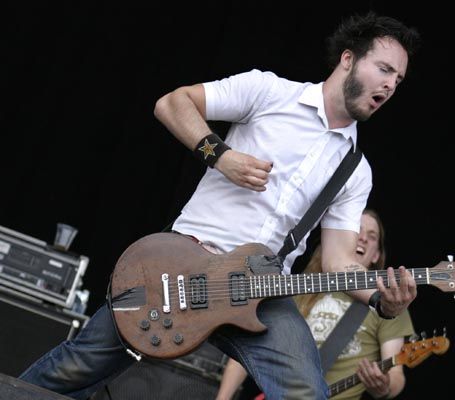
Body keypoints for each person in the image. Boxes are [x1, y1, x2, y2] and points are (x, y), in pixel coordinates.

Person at [19, 11, 420, 400]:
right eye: (384, 69)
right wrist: (221, 156)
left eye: (398, 80)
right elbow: (173, 103)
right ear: (348, 59)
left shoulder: (356, 169)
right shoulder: (269, 91)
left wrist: (382, 301)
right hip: (184, 265)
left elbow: (337, 260)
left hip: (262, 290)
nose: (390, 85)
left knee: (305, 393)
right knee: (77, 366)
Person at [215, 209, 415, 400]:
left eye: (371, 236)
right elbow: (251, 342)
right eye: (357, 230)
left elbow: (397, 375)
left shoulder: (388, 304)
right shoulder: (302, 289)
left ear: (376, 255)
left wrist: (384, 387)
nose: (363, 238)